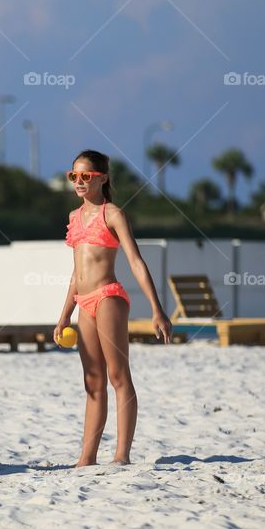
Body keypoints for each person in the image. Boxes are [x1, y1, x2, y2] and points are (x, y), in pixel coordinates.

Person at [55, 150, 172, 467]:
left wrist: (157, 309)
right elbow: (75, 274)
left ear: (102, 178)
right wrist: (64, 314)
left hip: (108, 296)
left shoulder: (113, 214)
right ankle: (87, 457)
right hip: (83, 303)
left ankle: (122, 455)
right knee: (92, 382)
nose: (79, 181)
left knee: (118, 376)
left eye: (86, 176)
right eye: (74, 176)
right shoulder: (74, 217)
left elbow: (136, 262)